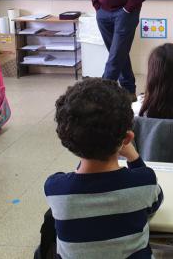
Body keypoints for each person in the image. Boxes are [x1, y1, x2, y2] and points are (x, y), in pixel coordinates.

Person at [43, 78, 163, 259]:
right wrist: (134, 157)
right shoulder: (143, 182)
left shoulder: (55, 189)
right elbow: (154, 205)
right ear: (128, 138)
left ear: (66, 139)